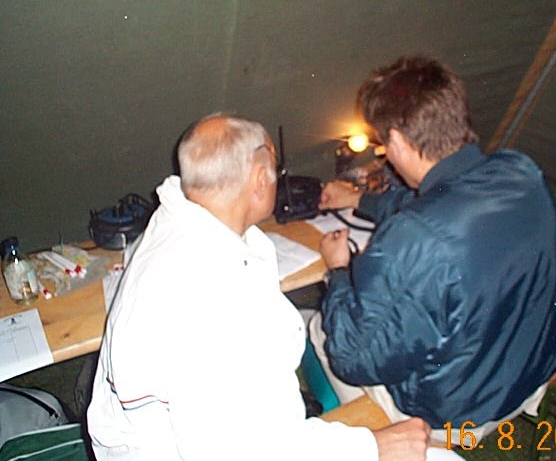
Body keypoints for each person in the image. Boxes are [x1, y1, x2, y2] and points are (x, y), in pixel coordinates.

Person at [87, 113, 433, 460]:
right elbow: (242, 451)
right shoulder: (215, 298)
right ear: (258, 180)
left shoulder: (175, 222)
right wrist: (374, 446)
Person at [309, 55, 556, 445]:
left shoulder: (412, 238)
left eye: (384, 144)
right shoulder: (519, 170)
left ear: (398, 141)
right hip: (532, 367)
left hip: (463, 412)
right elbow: (443, 204)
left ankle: (370, 441)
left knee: (321, 328)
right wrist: (359, 200)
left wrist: (339, 272)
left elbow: (353, 359)